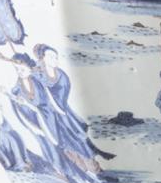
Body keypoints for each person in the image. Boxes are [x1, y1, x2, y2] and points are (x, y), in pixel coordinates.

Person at [7, 52, 97, 183]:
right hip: (40, 130)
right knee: (57, 159)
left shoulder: (38, 82)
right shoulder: (16, 91)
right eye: (17, 69)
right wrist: (33, 124)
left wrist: (52, 111)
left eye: (22, 69)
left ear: (29, 68)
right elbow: (21, 114)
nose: (19, 72)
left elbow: (51, 96)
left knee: (69, 152)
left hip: (53, 123)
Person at [34, 43, 115, 174]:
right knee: (63, 143)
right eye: (51, 57)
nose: (55, 60)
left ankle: (94, 169)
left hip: (64, 114)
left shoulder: (62, 76)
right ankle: (79, 169)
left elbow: (62, 97)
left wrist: (49, 93)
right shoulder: (37, 74)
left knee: (78, 139)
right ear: (42, 58)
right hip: (48, 116)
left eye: (56, 57)